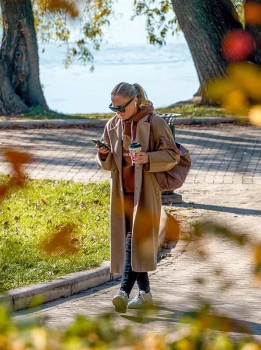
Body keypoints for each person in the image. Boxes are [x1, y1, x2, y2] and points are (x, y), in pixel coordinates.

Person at [95, 82, 180, 313]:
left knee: (134, 241)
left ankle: (123, 291)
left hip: (145, 194)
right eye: (114, 107)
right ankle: (145, 294)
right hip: (121, 195)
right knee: (132, 244)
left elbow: (172, 155)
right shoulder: (112, 125)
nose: (118, 112)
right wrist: (103, 155)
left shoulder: (155, 123)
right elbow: (109, 164)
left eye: (122, 107)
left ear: (135, 101)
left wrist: (148, 158)